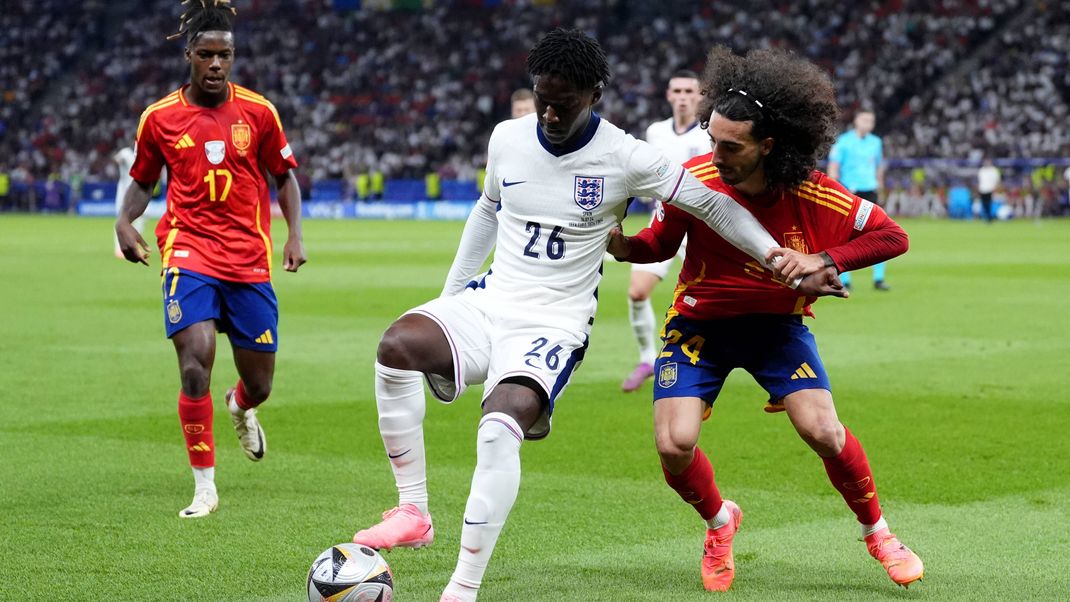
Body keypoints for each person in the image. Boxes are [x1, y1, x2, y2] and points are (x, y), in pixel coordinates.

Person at [351, 29, 841, 602]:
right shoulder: (507, 138)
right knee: (396, 345)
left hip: (556, 323)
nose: (551, 113)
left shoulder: (627, 157)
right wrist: (450, 297)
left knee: (498, 428)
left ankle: (463, 587)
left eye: (566, 101)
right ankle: (413, 509)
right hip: (490, 299)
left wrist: (776, 257)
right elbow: (488, 208)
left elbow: (712, 205)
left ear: (596, 94)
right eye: (542, 98)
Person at [608, 45, 922, 592]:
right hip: (700, 326)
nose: (716, 154)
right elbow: (659, 245)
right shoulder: (694, 179)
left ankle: (879, 533)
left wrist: (824, 260)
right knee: (673, 445)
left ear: (767, 146)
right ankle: (719, 521)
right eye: (712, 139)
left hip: (777, 329)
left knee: (823, 429)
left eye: (731, 146)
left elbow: (894, 236)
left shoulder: (815, 192)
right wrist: (621, 246)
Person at [114, 0, 306, 519]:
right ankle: (205, 485)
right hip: (188, 247)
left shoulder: (259, 112)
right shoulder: (159, 118)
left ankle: (240, 406)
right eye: (207, 55)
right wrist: (125, 221)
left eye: (225, 55)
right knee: (195, 362)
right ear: (190, 56)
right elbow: (142, 181)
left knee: (261, 384)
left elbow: (284, 177)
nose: (217, 64)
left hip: (247, 257)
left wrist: (294, 235)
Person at [621, 69, 710, 393]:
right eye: (678, 91)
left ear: (699, 96)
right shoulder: (656, 132)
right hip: (663, 220)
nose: (684, 97)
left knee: (710, 296)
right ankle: (648, 359)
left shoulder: (708, 133)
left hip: (702, 225)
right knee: (636, 292)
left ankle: (708, 360)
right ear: (669, 95)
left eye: (690, 91)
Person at [828, 108, 890, 291]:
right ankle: (845, 279)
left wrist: (880, 186)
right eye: (864, 120)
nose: (868, 124)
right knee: (845, 235)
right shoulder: (843, 142)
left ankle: (879, 278)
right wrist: (835, 189)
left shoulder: (876, 143)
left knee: (879, 233)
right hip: (849, 191)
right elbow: (834, 166)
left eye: (871, 121)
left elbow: (878, 166)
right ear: (856, 121)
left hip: (870, 190)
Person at [114, 146, 143, 257]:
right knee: (122, 218)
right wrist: (121, 160)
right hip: (124, 191)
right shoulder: (125, 152)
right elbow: (117, 159)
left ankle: (134, 245)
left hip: (137, 191)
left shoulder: (141, 153)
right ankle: (119, 248)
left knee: (141, 218)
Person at [977, 157, 1001, 222]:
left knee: (989, 203)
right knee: (984, 203)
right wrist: (979, 188)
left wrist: (995, 188)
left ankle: (989, 217)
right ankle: (986, 216)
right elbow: (980, 181)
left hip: (990, 189)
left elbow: (997, 180)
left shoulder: (994, 170)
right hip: (983, 189)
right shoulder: (981, 170)